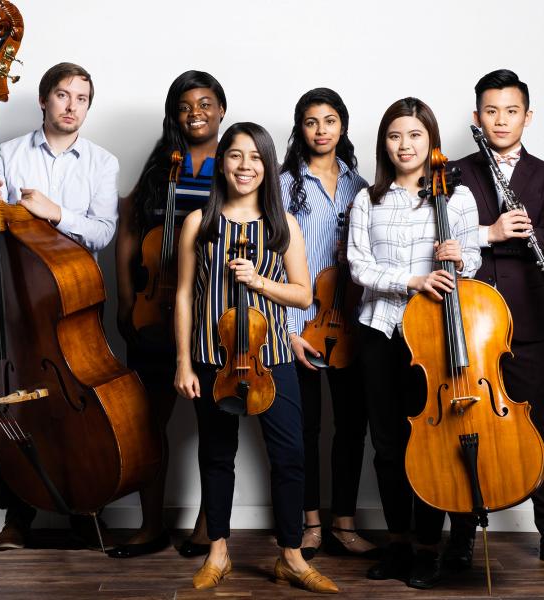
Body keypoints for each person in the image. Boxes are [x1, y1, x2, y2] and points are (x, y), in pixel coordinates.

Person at [173, 122, 338, 593]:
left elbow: (304, 295)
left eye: (256, 158)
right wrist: (184, 362)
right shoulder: (198, 223)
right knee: (217, 454)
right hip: (211, 356)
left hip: (271, 360)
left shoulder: (283, 225)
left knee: (289, 454)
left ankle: (290, 555)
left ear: (268, 166)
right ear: (222, 162)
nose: (245, 166)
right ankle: (218, 552)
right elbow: (185, 296)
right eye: (236, 156)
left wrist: (260, 282)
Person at [446, 69, 544, 574]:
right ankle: (462, 537)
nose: (501, 120)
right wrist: (489, 232)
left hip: (527, 324)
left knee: (537, 428)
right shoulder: (455, 171)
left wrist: (493, 238)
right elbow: (445, 244)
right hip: (469, 325)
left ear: (527, 117)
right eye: (491, 111)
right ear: (476, 117)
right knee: (466, 428)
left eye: (511, 111)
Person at [0, 62, 119, 550]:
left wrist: (56, 213)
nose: (71, 106)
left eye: (81, 98)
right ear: (42, 100)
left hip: (74, 302)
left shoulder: (103, 163)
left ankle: (83, 503)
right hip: (20, 302)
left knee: (79, 403)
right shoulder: (7, 154)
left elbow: (103, 231)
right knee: (15, 397)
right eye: (62, 95)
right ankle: (18, 515)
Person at [347, 97, 481, 589]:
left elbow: (474, 265)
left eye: (415, 135)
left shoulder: (456, 197)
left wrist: (458, 259)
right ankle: (399, 542)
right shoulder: (368, 199)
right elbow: (359, 266)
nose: (405, 145)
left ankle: (429, 547)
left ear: (432, 141)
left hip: (435, 339)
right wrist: (412, 281)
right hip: (380, 331)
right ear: (384, 143)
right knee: (386, 445)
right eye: (395, 136)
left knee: (431, 444)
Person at [109, 70, 226, 559]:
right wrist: (124, 298)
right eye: (184, 105)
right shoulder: (163, 165)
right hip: (155, 311)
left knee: (214, 425)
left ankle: (207, 525)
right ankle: (150, 524)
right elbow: (130, 229)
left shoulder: (236, 160)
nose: (195, 113)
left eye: (204, 103)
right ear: (173, 114)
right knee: (147, 423)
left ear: (221, 108)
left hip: (215, 314)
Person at [278, 88, 376, 560]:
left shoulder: (362, 187)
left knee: (353, 426)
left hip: (352, 321)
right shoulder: (282, 186)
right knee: (306, 429)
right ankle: (310, 522)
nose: (321, 130)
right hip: (302, 323)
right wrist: (290, 329)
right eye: (312, 121)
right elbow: (273, 261)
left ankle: (345, 521)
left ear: (343, 126)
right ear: (300, 128)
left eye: (330, 120)